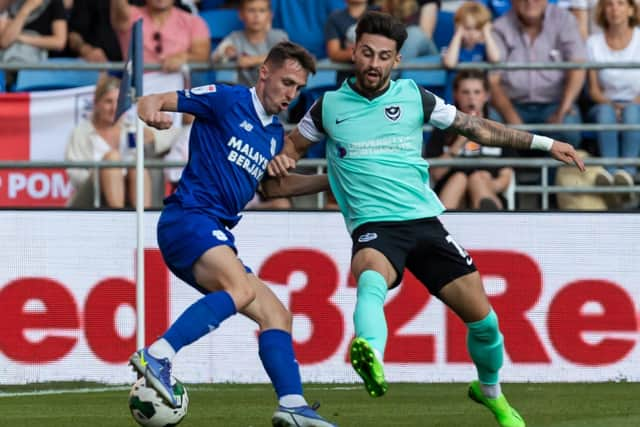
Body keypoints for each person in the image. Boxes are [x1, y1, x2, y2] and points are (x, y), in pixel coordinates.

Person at [267, 11, 584, 427]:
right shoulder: (327, 107)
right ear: (354, 51)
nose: (374, 64)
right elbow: (288, 154)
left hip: (425, 223)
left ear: (396, 60)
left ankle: (490, 392)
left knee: (486, 324)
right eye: (367, 53)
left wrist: (545, 143)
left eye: (384, 56)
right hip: (374, 228)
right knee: (369, 278)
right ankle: (371, 355)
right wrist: (278, 164)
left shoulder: (416, 97)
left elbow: (477, 128)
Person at [129, 41, 336, 427]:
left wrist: (330, 181)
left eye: (298, 88)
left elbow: (272, 190)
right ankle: (159, 354)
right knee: (240, 290)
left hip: (213, 229)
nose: (290, 94)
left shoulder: (275, 135)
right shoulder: (225, 100)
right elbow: (151, 99)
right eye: (286, 82)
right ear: (264, 72)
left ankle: (292, 403)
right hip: (188, 218)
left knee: (277, 315)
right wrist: (151, 114)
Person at [490, 0, 586, 150]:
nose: (529, 1)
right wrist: (512, 117)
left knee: (569, 128)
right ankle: (508, 172)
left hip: (555, 103)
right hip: (512, 104)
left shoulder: (564, 20)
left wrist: (562, 110)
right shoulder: (499, 27)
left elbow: (578, 67)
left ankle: (556, 173)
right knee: (491, 125)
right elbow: (493, 81)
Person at [425, 70, 515, 210]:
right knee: (459, 178)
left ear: (486, 95)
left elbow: (506, 177)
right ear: (456, 95)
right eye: (465, 92)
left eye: (477, 92)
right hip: (451, 192)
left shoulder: (499, 130)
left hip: (488, 190)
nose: (471, 98)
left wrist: (485, 185)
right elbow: (436, 174)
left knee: (477, 178)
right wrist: (460, 141)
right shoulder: (442, 129)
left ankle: (485, 208)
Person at [65, 75, 153, 208]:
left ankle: (144, 221)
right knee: (112, 159)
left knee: (138, 167)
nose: (114, 108)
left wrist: (153, 137)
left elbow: (175, 134)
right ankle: (117, 220)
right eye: (108, 102)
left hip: (130, 192)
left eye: (119, 102)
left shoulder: (133, 128)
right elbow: (75, 175)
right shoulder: (81, 132)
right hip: (91, 195)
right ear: (96, 103)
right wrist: (103, 177)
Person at [585, 0, 640, 207]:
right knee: (605, 113)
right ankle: (609, 177)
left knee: (633, 113)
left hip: (637, 103)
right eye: (609, 4)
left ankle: (627, 176)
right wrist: (614, 106)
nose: (615, 9)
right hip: (604, 103)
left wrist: (628, 106)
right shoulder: (593, 42)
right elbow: (593, 90)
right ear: (603, 10)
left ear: (631, 9)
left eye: (620, 3)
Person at [111, 0, 210, 73]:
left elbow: (202, 56)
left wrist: (184, 57)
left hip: (178, 90)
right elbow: (118, 8)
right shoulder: (130, 16)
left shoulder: (194, 22)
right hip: (136, 89)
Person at [212, 0, 288, 87]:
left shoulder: (278, 36)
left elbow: (285, 57)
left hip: (275, 91)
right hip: (245, 93)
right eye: (251, 10)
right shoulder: (235, 38)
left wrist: (253, 60)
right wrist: (225, 51)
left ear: (270, 15)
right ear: (241, 14)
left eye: (262, 10)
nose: (256, 16)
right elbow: (215, 57)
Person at [0, 0, 67, 64]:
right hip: (8, 56)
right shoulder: (13, 4)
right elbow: (5, 42)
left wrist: (21, 38)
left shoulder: (54, 3)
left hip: (35, 58)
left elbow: (59, 42)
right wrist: (26, 9)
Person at [441, 1, 500, 69]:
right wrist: (458, 35)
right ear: (458, 28)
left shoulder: (483, 48)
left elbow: (495, 59)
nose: (472, 33)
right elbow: (449, 63)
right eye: (467, 28)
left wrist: (487, 33)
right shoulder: (453, 48)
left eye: (477, 28)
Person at [325, 0, 371, 85]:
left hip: (376, 80)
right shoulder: (335, 18)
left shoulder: (381, 13)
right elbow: (333, 53)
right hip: (346, 81)